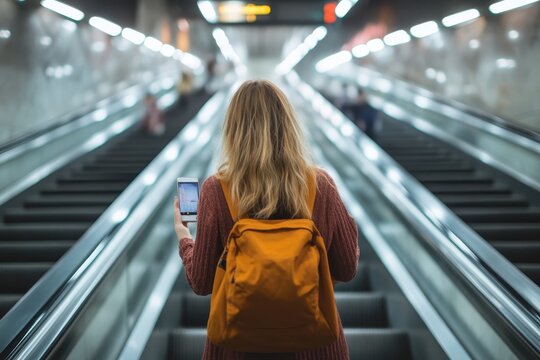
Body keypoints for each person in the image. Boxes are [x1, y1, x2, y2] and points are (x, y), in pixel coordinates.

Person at [173, 80, 359, 359]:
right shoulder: (321, 186)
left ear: (233, 130)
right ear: (288, 126)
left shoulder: (217, 189)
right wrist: (346, 221)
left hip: (238, 347)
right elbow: (346, 269)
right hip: (314, 346)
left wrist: (184, 237)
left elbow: (201, 282)